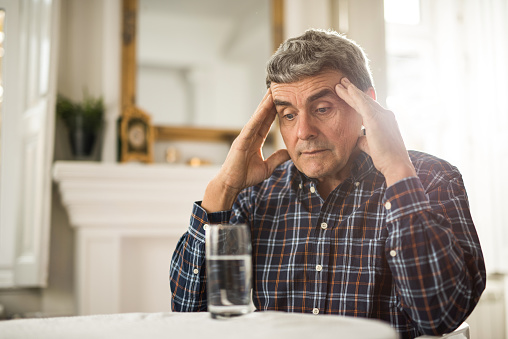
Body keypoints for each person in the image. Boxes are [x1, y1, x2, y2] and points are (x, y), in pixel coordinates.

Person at [169, 29, 486, 339]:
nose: (303, 131)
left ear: (367, 105)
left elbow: (441, 315)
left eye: (322, 109)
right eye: (289, 115)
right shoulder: (256, 196)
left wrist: (397, 171)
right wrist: (223, 187)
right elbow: (189, 313)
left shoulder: (431, 179)